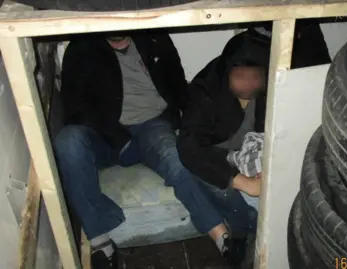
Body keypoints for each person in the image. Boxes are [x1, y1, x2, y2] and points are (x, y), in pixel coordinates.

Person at [54, 30, 254, 269]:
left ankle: (221, 236)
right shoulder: (81, 48)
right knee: (68, 140)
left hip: (153, 124)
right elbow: (74, 108)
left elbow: (178, 83)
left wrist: (190, 125)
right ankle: (100, 241)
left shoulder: (154, 38)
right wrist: (119, 140)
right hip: (104, 133)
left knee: (176, 158)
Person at [178, 21, 331, 198]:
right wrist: (243, 182)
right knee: (213, 185)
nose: (249, 84)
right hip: (217, 154)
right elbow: (189, 145)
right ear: (227, 73)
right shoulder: (207, 88)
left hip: (255, 152)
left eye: (256, 77)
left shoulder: (273, 86)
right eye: (240, 77)